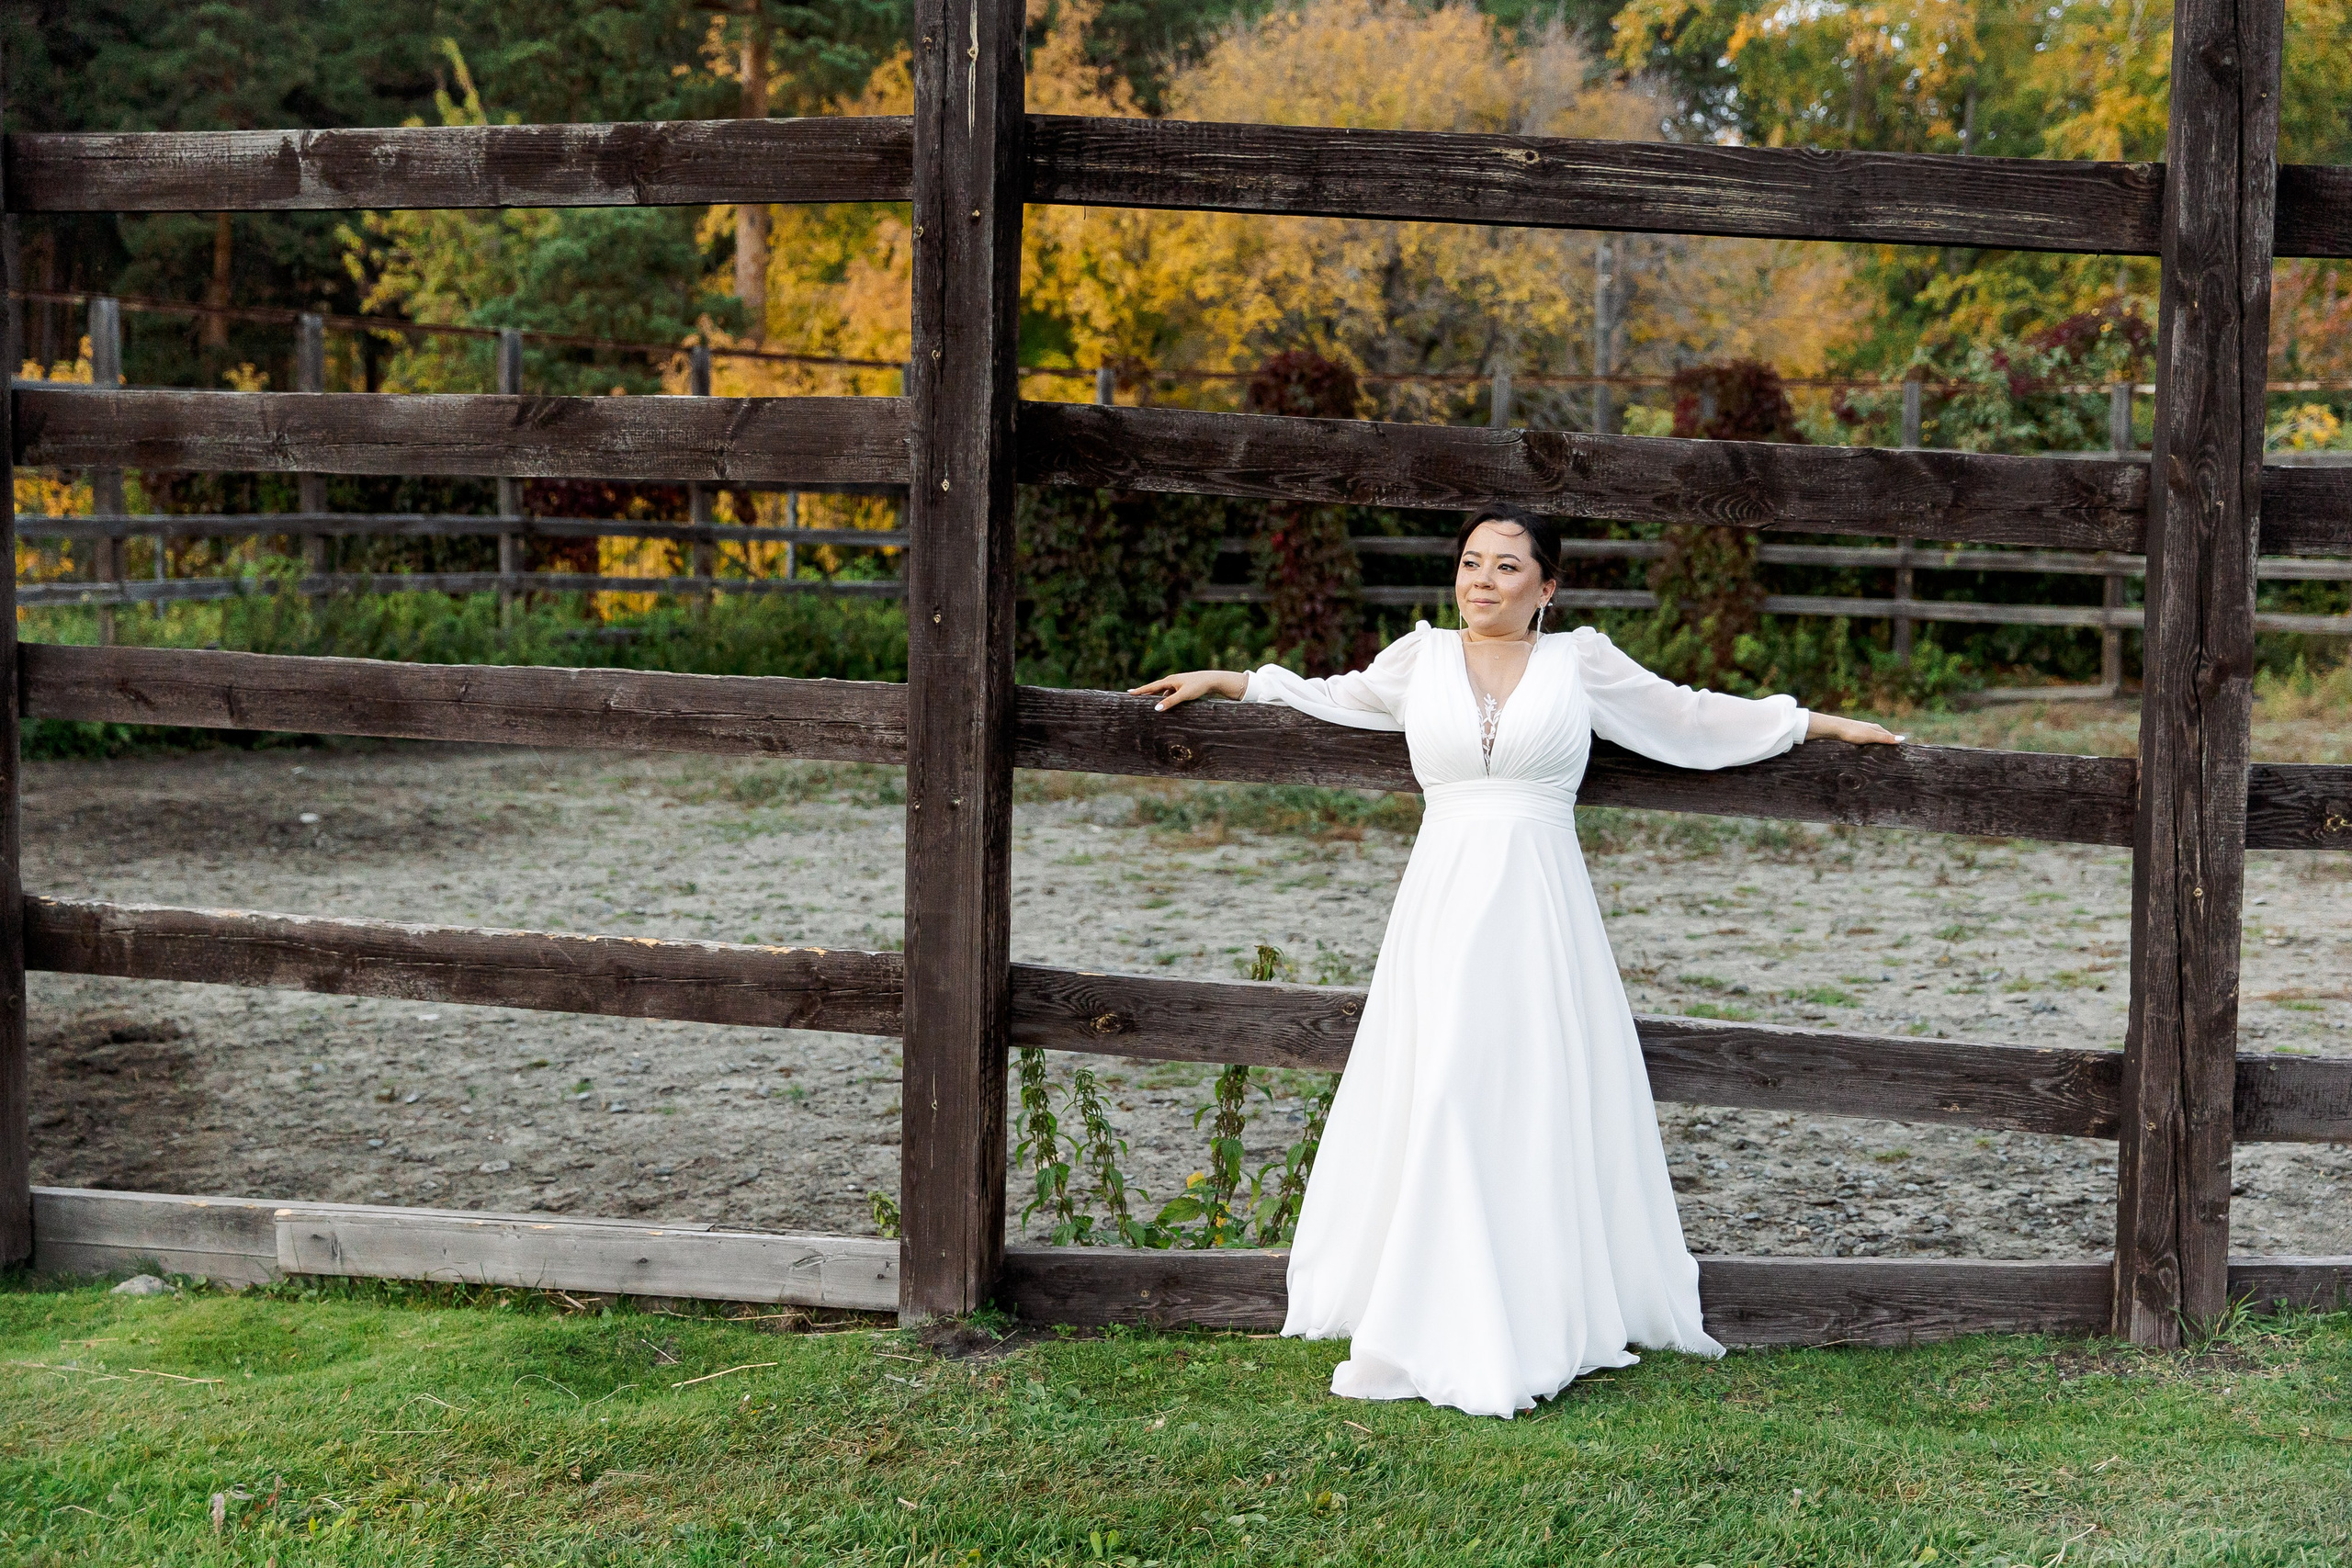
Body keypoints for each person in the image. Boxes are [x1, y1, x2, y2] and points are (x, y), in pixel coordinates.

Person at [1128, 504, 1903, 1418]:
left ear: (1547, 586)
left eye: (1504, 566)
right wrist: (1233, 681)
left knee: (1529, 1089)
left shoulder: (1581, 664)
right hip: (1444, 900)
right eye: (1468, 564)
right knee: (1446, 1080)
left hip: (1540, 905)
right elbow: (1335, 694)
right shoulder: (1417, 661)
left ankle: (1534, 1302)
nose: (1481, 581)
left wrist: (1817, 725)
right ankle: (1434, 1307)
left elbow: (1688, 719)